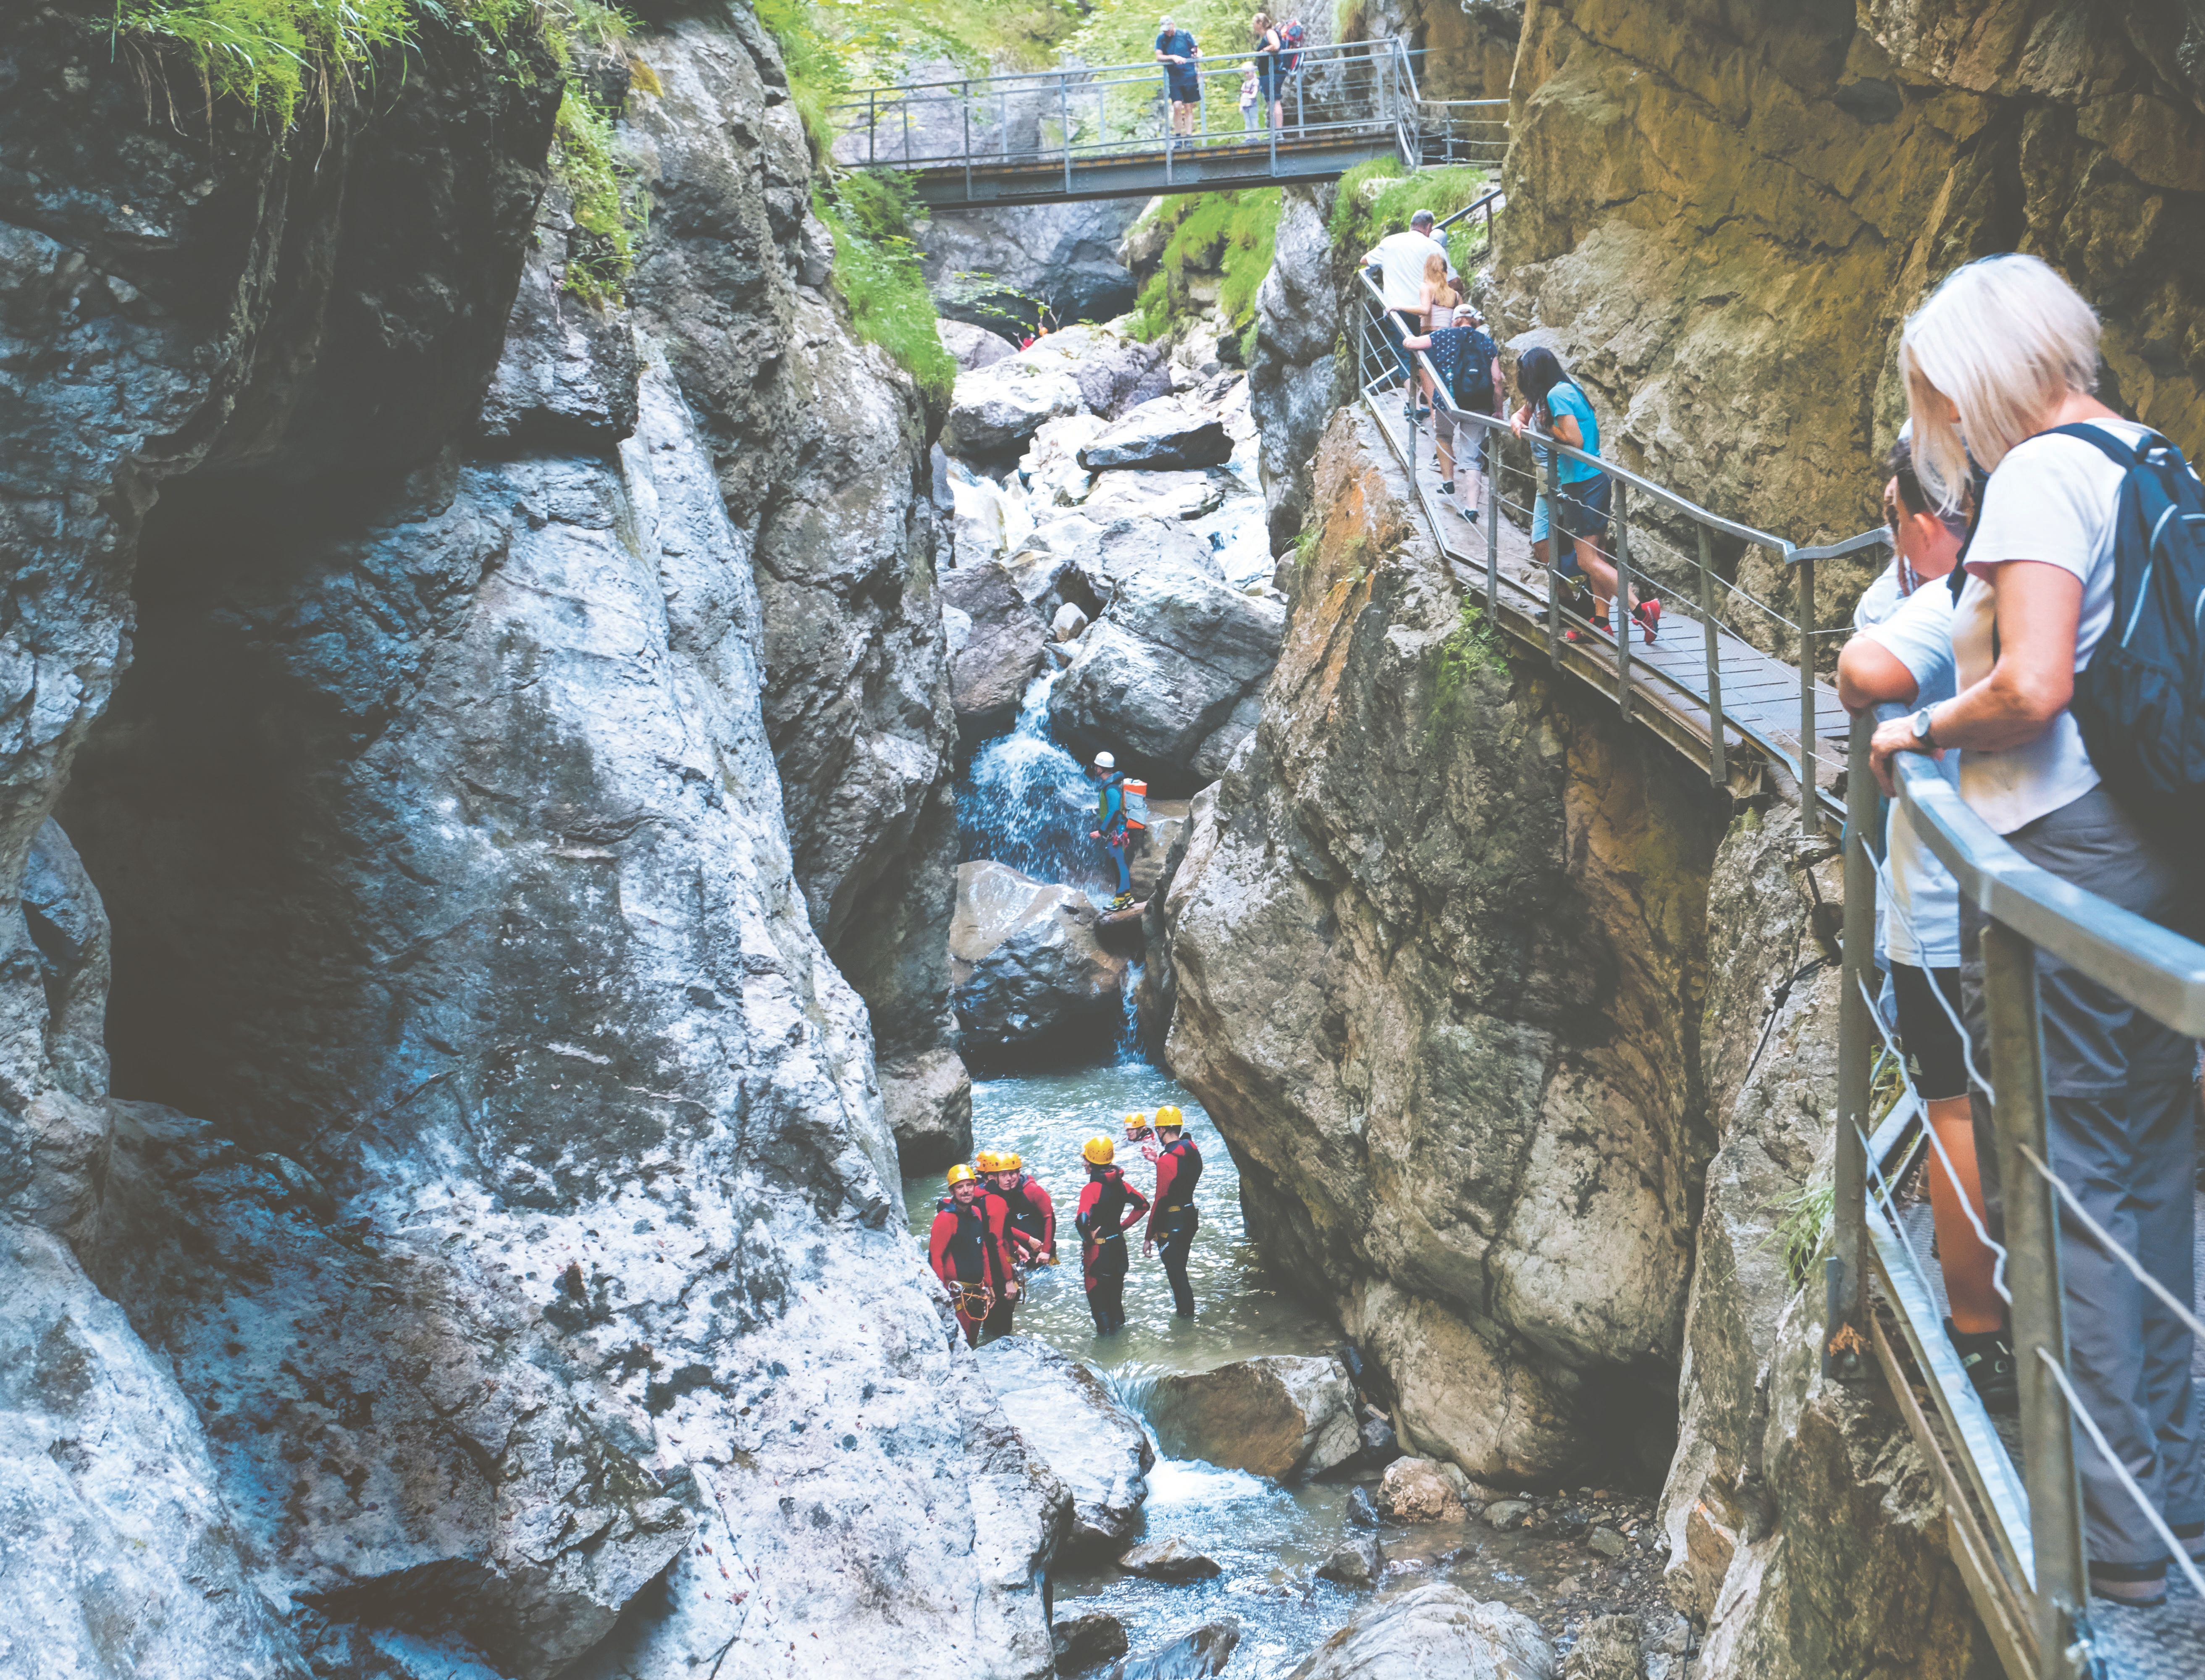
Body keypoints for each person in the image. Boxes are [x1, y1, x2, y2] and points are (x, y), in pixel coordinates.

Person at [1870, 251, 2204, 1607]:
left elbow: (2035, 683)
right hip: (2153, 846)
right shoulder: (2151, 450)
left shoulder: (2040, 477)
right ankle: (2172, 1493)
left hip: (2069, 862)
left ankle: (2118, 1546)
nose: (1940, 431)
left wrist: (1919, 732)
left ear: (1978, 379)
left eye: (1940, 399)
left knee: (2075, 1190)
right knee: (2156, 1175)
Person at [1836, 437, 2013, 1413]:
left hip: (1942, 910)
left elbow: (1858, 671)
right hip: (2017, 889)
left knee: (1950, 1107)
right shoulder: (2024, 599)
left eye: (1894, 513)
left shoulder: (1951, 606)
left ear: (1926, 518)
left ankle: (1977, 1330)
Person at [1510, 346, 1657, 644]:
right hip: (1590, 481)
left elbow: (1574, 440)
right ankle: (1601, 621)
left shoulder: (1556, 396)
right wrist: (1521, 419)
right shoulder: (1568, 388)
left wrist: (1548, 428)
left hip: (1583, 484)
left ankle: (1642, 610)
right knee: (1597, 555)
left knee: (1588, 560)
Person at [1397, 287, 1501, 520]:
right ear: (1475, 322)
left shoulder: (1443, 336)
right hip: (1479, 405)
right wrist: (1499, 410)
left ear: (1455, 321)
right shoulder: (1487, 343)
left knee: (1443, 438)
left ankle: (1448, 481)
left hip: (1447, 401)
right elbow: (1497, 379)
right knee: (1472, 457)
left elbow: (1411, 344)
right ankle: (1472, 508)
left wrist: (1408, 337)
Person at [1362, 210, 1446, 417]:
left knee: (1404, 358)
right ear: (1429, 228)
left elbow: (1365, 261)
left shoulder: (1390, 242)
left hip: (1396, 311)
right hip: (1426, 313)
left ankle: (1415, 406)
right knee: (1427, 357)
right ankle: (1433, 406)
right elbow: (1452, 280)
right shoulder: (1434, 247)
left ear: (1411, 224)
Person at [929, 1163, 1014, 1348]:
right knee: (963, 1343)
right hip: (957, 1294)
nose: (966, 1191)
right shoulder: (945, 1219)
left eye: (969, 1185)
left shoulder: (976, 1213)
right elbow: (936, 1257)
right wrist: (943, 1295)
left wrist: (989, 1285)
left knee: (973, 1341)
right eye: (960, 1187)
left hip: (976, 1291)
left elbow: (982, 1250)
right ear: (952, 1191)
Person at [1076, 1135, 1151, 1334]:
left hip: (1099, 1254)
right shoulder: (1121, 1184)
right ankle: (1121, 1347)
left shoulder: (1091, 1189)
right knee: (1116, 1304)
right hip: (1118, 1249)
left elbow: (1082, 1221)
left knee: (1100, 1308)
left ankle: (1106, 1354)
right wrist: (1122, 1227)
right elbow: (1143, 1205)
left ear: (1092, 1163)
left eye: (1086, 1159)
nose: (1084, 1163)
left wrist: (1088, 1237)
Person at [1143, 1105, 1203, 1317]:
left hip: (1173, 1223)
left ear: (1161, 1130)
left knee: (1177, 1277)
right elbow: (1180, 1177)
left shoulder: (1167, 1160)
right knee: (1181, 1272)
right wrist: (1158, 1161)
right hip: (1189, 1216)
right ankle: (1186, 1318)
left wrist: (1148, 1236)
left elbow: (1161, 1199)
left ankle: (1186, 1325)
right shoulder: (1192, 1149)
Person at [1087, 750, 1138, 910]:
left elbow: (1114, 810)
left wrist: (1101, 831)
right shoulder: (1111, 784)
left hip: (1116, 831)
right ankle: (1126, 897)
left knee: (1119, 864)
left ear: (1101, 768)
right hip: (1117, 830)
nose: (1095, 769)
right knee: (1118, 863)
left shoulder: (1111, 787)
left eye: (1096, 767)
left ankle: (1121, 899)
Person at [992, 1151, 1057, 1267]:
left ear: (1019, 1173)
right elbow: (1001, 1228)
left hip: (1041, 1252)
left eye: (1012, 1174)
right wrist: (1021, 1243)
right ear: (995, 1178)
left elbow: (1050, 1218)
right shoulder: (995, 1197)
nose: (1009, 1179)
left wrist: (1046, 1250)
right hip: (1017, 1251)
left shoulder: (1033, 1191)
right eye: (1003, 1175)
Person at [1155, 16, 1202, 138]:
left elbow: (1196, 49)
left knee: (1188, 107)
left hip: (1189, 75)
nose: (1167, 32)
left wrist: (1198, 55)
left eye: (1168, 29)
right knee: (1177, 106)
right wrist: (1173, 57)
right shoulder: (1161, 38)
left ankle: (1188, 136)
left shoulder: (1185, 34)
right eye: (1164, 30)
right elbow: (1159, 57)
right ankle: (1177, 135)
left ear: (1173, 25)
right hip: (1175, 78)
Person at [1251, 12, 1285, 131]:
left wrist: (1264, 50)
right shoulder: (1266, 35)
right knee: (1271, 101)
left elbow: (1276, 45)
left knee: (1275, 101)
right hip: (1268, 73)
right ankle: (1275, 131)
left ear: (1260, 23)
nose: (1253, 26)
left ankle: (1279, 132)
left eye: (1254, 23)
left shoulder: (1270, 32)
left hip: (1273, 72)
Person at [1237, 60, 1262, 132]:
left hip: (1252, 103)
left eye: (1248, 73)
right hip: (1245, 104)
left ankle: (1255, 136)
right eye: (1245, 74)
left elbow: (1256, 90)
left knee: (1254, 119)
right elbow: (1243, 95)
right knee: (1247, 122)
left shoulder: (1255, 81)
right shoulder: (1245, 84)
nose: (1247, 75)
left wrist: (1253, 96)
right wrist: (1241, 106)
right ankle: (1249, 137)